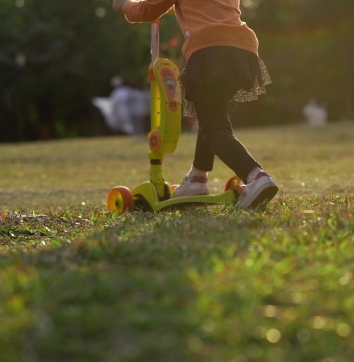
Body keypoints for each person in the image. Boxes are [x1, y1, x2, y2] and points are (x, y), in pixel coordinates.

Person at [112, 0, 278, 210]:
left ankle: (256, 176)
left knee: (215, 129)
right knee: (211, 117)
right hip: (242, 50)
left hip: (210, 50)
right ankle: (197, 177)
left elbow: (148, 10)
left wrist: (125, 5)